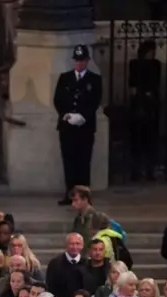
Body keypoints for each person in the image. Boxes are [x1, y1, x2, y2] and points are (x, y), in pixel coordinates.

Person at [53, 47, 101, 204]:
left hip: (84, 127)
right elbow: (58, 99)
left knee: (83, 160)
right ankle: (70, 195)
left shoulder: (94, 79)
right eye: (77, 60)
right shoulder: (65, 78)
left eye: (82, 60)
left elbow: (95, 101)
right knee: (69, 160)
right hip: (67, 126)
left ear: (87, 61)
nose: (79, 63)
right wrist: (66, 115)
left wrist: (83, 116)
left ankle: (84, 196)